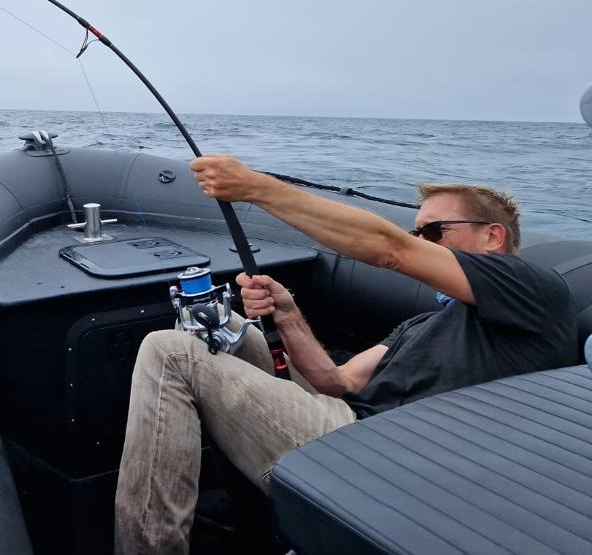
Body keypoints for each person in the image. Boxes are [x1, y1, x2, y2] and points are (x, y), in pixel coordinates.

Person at [114, 153, 578, 555]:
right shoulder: (423, 323)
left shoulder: (534, 290)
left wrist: (256, 188)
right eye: (416, 231)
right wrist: (288, 312)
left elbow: (389, 250)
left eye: (433, 231)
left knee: (169, 352)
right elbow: (337, 382)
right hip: (346, 422)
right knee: (213, 322)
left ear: (493, 237)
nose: (420, 243)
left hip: (384, 456)